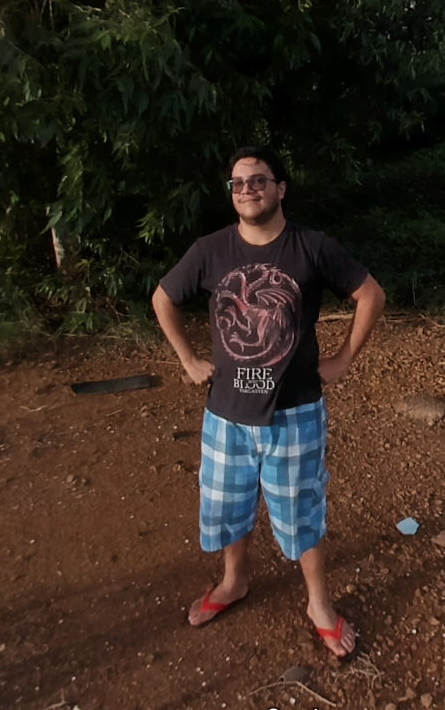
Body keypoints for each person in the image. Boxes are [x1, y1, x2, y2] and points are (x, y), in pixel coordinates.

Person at [151, 146, 385, 658]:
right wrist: (188, 360)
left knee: (302, 511)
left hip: (294, 412)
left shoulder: (311, 247)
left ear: (280, 188)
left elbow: (371, 294)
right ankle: (234, 581)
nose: (247, 190)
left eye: (258, 180)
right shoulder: (210, 250)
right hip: (226, 415)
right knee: (228, 506)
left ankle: (319, 603)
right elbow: (163, 298)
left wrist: (343, 359)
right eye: (237, 183)